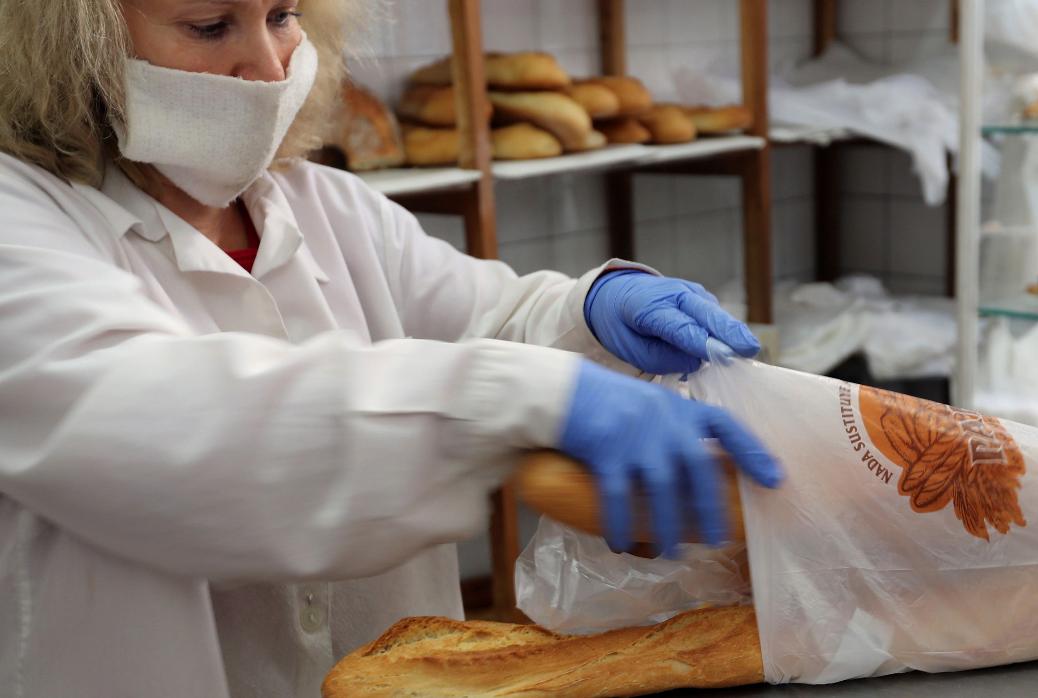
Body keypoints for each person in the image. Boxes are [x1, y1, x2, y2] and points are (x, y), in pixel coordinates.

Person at [0, 1, 782, 696]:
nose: (270, 67)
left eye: (282, 14)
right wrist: (523, 399)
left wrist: (586, 308)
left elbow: (487, 313)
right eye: (211, 26)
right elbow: (171, 430)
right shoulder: (20, 222)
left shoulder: (327, 203)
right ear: (78, 43)